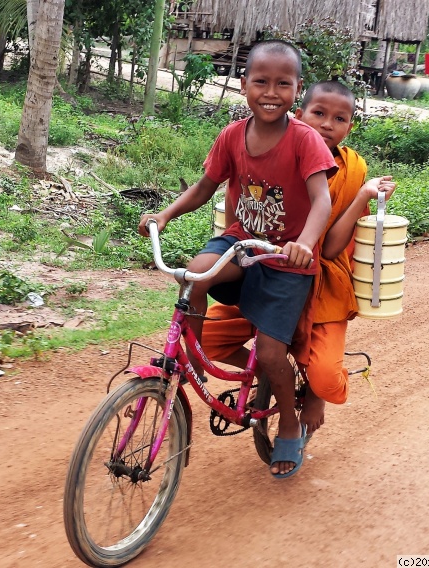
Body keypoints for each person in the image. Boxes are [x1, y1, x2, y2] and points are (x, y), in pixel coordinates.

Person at [138, 40, 337, 479]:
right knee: (193, 276)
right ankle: (191, 365)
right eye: (261, 82)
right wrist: (165, 215)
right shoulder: (232, 135)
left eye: (283, 84)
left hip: (285, 261)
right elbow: (204, 187)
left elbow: (321, 200)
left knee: (270, 353)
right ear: (243, 84)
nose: (271, 92)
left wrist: (304, 243)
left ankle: (288, 422)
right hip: (241, 244)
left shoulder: (305, 139)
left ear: (297, 89)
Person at [202, 80, 396, 449]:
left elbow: (331, 248)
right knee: (205, 337)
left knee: (326, 380)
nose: (327, 124)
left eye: (339, 119)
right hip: (265, 271)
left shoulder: (352, 169)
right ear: (299, 114)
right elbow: (240, 211)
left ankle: (313, 391)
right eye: (318, 113)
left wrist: (363, 196)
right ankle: (276, 373)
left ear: (350, 126)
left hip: (319, 283)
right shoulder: (276, 150)